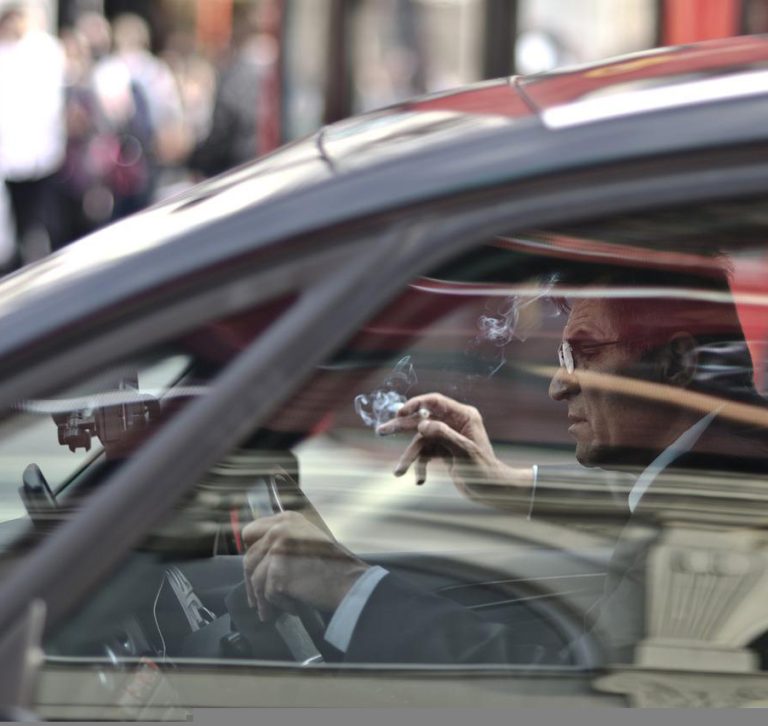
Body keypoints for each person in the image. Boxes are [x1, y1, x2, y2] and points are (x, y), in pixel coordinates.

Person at [241, 261, 768, 664]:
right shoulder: (733, 455)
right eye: (563, 360)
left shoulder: (719, 534)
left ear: (677, 363)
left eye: (585, 356)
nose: (560, 386)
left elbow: (562, 699)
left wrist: (349, 587)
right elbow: (657, 495)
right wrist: (509, 484)